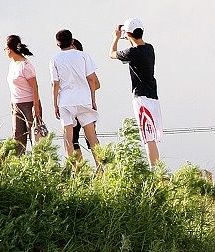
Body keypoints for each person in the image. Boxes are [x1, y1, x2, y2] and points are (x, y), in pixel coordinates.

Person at [109, 17, 162, 166]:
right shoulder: (150, 48)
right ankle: (157, 169)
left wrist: (116, 38)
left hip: (141, 97)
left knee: (147, 137)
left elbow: (112, 54)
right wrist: (128, 37)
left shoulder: (132, 52)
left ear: (129, 34)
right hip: (153, 95)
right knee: (151, 136)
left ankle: (155, 171)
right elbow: (136, 48)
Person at [49, 29, 101, 160]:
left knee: (68, 138)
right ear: (72, 41)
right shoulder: (84, 56)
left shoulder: (54, 59)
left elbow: (55, 83)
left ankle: (76, 171)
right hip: (84, 99)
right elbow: (91, 79)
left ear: (57, 44)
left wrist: (55, 104)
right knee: (92, 137)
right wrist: (93, 100)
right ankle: (101, 167)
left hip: (66, 102)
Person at [4, 34, 43, 154]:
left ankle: (39, 162)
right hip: (16, 104)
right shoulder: (12, 64)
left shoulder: (25, 65)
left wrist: (35, 107)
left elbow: (35, 87)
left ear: (10, 49)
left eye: (6, 48)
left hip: (29, 103)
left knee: (35, 136)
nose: (5, 51)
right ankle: (19, 164)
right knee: (18, 136)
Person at [70, 38, 99, 158]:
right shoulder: (68, 65)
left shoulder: (83, 62)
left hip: (84, 104)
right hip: (72, 104)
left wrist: (89, 94)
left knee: (91, 138)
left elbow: (96, 83)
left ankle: (101, 169)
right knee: (73, 139)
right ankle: (80, 171)